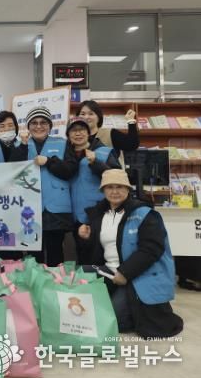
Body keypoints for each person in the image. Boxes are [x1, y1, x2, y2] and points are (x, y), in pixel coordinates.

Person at [78, 169, 183, 339]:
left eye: (119, 186)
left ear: (128, 189)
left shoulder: (145, 214)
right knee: (79, 276)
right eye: (109, 187)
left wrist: (125, 272)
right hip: (110, 271)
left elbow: (151, 249)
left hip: (135, 275)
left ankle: (134, 307)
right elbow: (98, 250)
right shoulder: (99, 215)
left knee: (113, 321)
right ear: (103, 190)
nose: (114, 191)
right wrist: (87, 238)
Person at [12, 106, 78, 266]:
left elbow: (70, 170)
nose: (39, 126)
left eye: (43, 122)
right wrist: (22, 145)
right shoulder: (20, 145)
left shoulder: (63, 143)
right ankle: (36, 280)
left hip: (56, 209)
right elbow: (12, 170)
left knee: (56, 251)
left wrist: (49, 162)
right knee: (34, 252)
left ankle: (56, 280)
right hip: (28, 208)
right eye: (34, 123)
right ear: (28, 126)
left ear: (50, 125)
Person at [67, 117, 121, 263]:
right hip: (76, 216)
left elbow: (117, 178)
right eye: (74, 130)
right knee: (81, 255)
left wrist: (95, 162)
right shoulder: (67, 155)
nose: (78, 133)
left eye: (82, 130)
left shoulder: (103, 152)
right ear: (68, 135)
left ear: (88, 132)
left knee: (102, 256)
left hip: (99, 213)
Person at [75, 100, 139, 164]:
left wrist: (131, 121)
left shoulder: (110, 133)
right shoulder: (74, 137)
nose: (86, 117)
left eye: (91, 114)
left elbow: (132, 144)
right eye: (82, 114)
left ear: (98, 117)